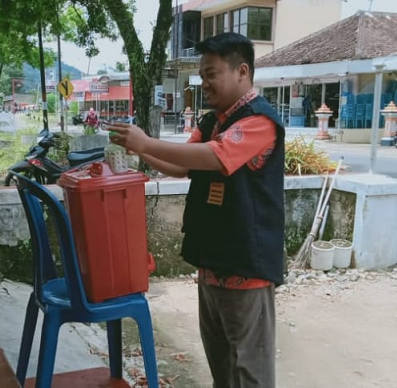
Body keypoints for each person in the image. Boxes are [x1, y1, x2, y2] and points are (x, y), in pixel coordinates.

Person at [107, 32, 284, 388]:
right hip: (213, 264)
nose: (204, 83)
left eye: (212, 74)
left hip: (246, 268)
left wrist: (147, 141)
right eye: (202, 75)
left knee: (249, 369)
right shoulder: (212, 122)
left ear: (242, 71)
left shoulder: (259, 121)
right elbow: (183, 166)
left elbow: (215, 157)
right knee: (221, 365)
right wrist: (139, 149)